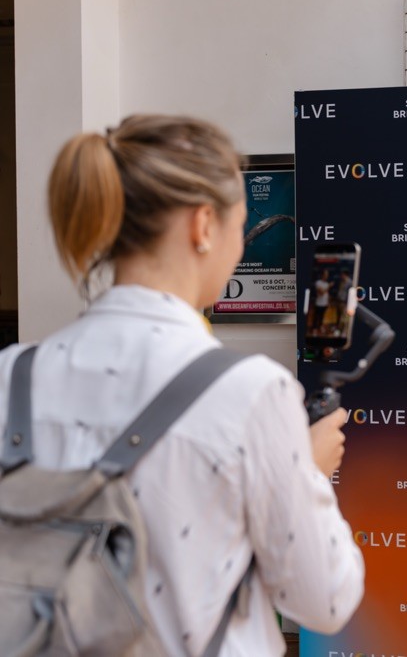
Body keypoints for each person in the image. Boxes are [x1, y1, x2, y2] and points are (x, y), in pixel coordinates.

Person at [0, 115, 364, 655]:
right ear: (202, 226)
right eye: (241, 225)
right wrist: (307, 472)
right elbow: (326, 599)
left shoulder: (12, 373)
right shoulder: (252, 392)